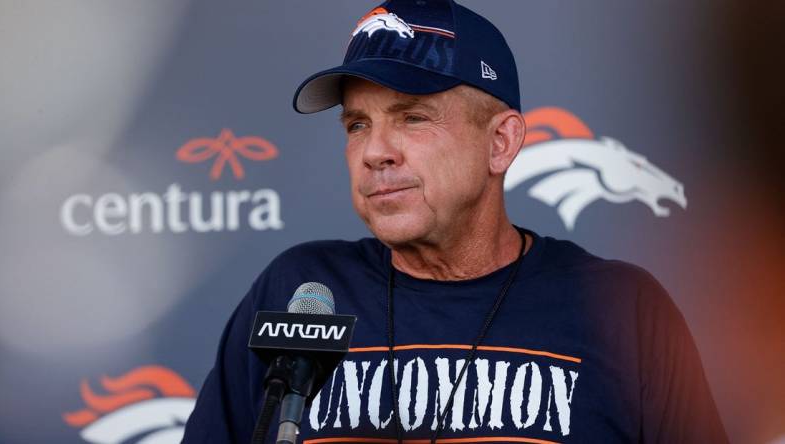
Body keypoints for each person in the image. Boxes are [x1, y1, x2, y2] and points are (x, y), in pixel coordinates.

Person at [182, 0, 729, 442]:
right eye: (356, 125)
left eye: (412, 118)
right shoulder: (301, 288)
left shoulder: (621, 309)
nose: (375, 152)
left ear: (500, 142)